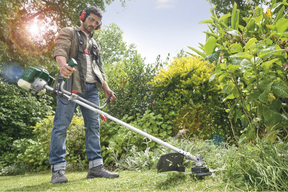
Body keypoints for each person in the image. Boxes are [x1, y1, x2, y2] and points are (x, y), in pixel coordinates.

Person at [49, 6, 119, 184]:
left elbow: (99, 69)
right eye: (91, 20)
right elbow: (60, 51)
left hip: (91, 90)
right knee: (61, 126)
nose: (93, 24)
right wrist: (62, 65)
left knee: (93, 127)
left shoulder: (95, 44)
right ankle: (58, 170)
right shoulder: (69, 32)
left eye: (97, 22)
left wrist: (106, 88)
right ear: (83, 17)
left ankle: (95, 167)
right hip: (70, 84)